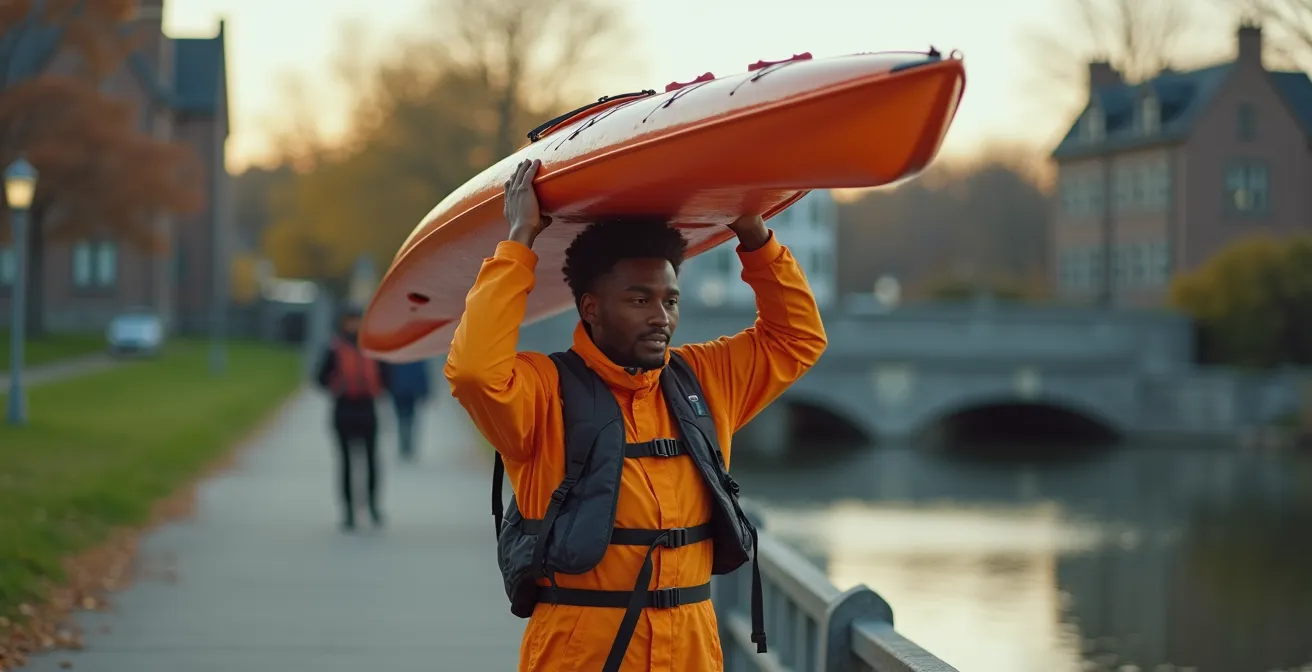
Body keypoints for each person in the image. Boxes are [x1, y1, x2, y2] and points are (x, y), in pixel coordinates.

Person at [444, 158, 828, 672]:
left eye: (670, 300)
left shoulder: (704, 379)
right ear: (591, 308)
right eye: (639, 299)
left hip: (692, 649)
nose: (660, 318)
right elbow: (473, 372)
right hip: (582, 654)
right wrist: (520, 241)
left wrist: (753, 232)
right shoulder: (543, 390)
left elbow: (798, 337)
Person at [316, 306, 390, 530]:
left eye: (357, 320)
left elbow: (387, 376)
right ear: (342, 322)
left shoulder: (373, 347)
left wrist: (378, 386)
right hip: (344, 409)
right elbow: (319, 377)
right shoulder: (333, 349)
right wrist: (336, 386)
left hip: (367, 409)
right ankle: (348, 511)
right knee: (346, 462)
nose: (354, 325)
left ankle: (373, 507)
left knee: (371, 461)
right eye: (350, 320)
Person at [385, 359, 432, 460]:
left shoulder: (397, 353)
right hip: (411, 389)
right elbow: (422, 372)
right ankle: (408, 443)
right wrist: (424, 390)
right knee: (410, 416)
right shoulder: (417, 354)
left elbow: (388, 371)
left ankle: (404, 442)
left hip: (398, 389)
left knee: (401, 417)